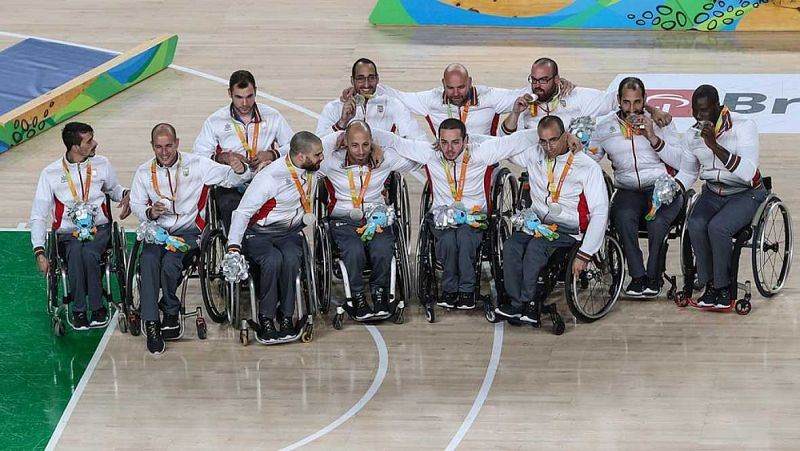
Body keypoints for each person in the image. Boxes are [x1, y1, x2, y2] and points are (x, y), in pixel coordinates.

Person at [371, 118, 540, 309]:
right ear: (437, 141)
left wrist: (562, 135)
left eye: (455, 142)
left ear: (466, 140)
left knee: (466, 238)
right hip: (442, 218)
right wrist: (367, 139)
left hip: (474, 218)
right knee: (449, 242)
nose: (449, 148)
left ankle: (467, 291)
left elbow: (516, 140)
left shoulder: (482, 153)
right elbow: (396, 142)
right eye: (444, 142)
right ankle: (450, 290)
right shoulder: (429, 154)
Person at [130, 123, 249, 354]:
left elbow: (230, 179)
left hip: (189, 231)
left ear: (177, 143)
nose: (164, 152)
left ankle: (171, 311)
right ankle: (152, 323)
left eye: (168, 146)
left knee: (171, 265)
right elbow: (136, 202)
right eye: (158, 147)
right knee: (148, 262)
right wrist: (149, 212)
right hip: (157, 232)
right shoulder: (144, 172)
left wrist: (239, 168)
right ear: (152, 146)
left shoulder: (198, 164)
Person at [496, 116, 609, 324]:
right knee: (511, 246)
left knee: (535, 249)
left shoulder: (587, 167)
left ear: (566, 136)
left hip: (568, 229)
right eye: (543, 141)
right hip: (538, 223)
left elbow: (600, 211)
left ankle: (529, 303)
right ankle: (515, 303)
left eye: (554, 140)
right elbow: (506, 146)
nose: (548, 147)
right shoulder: (534, 155)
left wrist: (585, 254)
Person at [588, 77, 684, 297]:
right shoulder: (605, 128)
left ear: (645, 100)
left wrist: (651, 136)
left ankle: (654, 276)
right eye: (626, 103)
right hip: (628, 189)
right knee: (622, 218)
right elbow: (589, 160)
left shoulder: (661, 122)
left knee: (658, 223)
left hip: (661, 187)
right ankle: (637, 277)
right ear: (619, 102)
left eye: (637, 102)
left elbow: (680, 161)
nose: (632, 109)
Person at [226, 131, 325, 344]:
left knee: (290, 260)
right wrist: (233, 247)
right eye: (318, 155)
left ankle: (286, 316)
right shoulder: (269, 178)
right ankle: (266, 317)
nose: (322, 158)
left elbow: (335, 144)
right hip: (259, 235)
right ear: (300, 157)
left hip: (289, 234)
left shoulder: (311, 168)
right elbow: (242, 213)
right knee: (273, 260)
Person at [30, 122, 130, 330]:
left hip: (99, 230)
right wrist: (39, 251)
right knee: (76, 253)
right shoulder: (50, 173)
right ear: (75, 147)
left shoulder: (102, 164)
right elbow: (38, 215)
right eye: (89, 141)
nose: (95, 144)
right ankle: (79, 310)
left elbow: (113, 189)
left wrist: (126, 195)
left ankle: (96, 307)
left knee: (89, 253)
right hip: (67, 234)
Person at [676, 84, 766, 309]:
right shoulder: (691, 135)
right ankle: (709, 284)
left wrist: (714, 146)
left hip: (746, 193)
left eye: (704, 110)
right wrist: (673, 187)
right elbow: (688, 172)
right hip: (713, 191)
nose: (699, 116)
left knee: (718, 227)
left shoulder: (744, 127)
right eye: (695, 111)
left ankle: (723, 286)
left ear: (717, 107)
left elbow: (748, 172)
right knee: (695, 223)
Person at [318, 121, 417, 320]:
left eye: (366, 144)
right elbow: (303, 160)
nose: (361, 151)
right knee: (353, 251)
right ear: (345, 142)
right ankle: (356, 296)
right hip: (343, 219)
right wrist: (331, 143)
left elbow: (418, 159)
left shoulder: (385, 159)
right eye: (354, 145)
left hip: (376, 217)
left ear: (372, 142)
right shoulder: (330, 162)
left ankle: (380, 293)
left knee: (382, 248)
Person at [193, 70, 294, 232]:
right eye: (239, 97)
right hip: (231, 183)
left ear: (256, 92)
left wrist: (272, 154)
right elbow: (199, 156)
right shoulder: (215, 121)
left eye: (249, 96)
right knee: (229, 207)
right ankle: (236, 250)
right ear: (229, 94)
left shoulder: (272, 116)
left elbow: (293, 146)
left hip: (265, 180)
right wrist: (224, 157)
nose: (245, 103)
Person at [499, 57, 672, 137]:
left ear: (557, 80)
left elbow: (624, 100)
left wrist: (653, 109)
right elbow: (506, 139)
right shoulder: (523, 99)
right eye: (534, 80)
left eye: (544, 80)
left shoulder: (576, 96)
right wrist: (514, 113)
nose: (537, 85)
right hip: (536, 166)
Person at [374, 63, 526, 136]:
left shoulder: (489, 97)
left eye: (461, 87)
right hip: (446, 161)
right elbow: (399, 97)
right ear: (443, 84)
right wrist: (365, 88)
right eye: (450, 88)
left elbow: (521, 94)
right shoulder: (431, 100)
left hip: (482, 161)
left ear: (470, 82)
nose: (456, 93)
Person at [316, 58, 425, 140]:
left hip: (383, 166)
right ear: (352, 80)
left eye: (371, 78)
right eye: (360, 79)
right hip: (345, 169)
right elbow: (318, 146)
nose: (367, 84)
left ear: (377, 79)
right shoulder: (334, 107)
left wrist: (391, 152)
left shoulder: (392, 105)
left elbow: (418, 140)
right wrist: (342, 123)